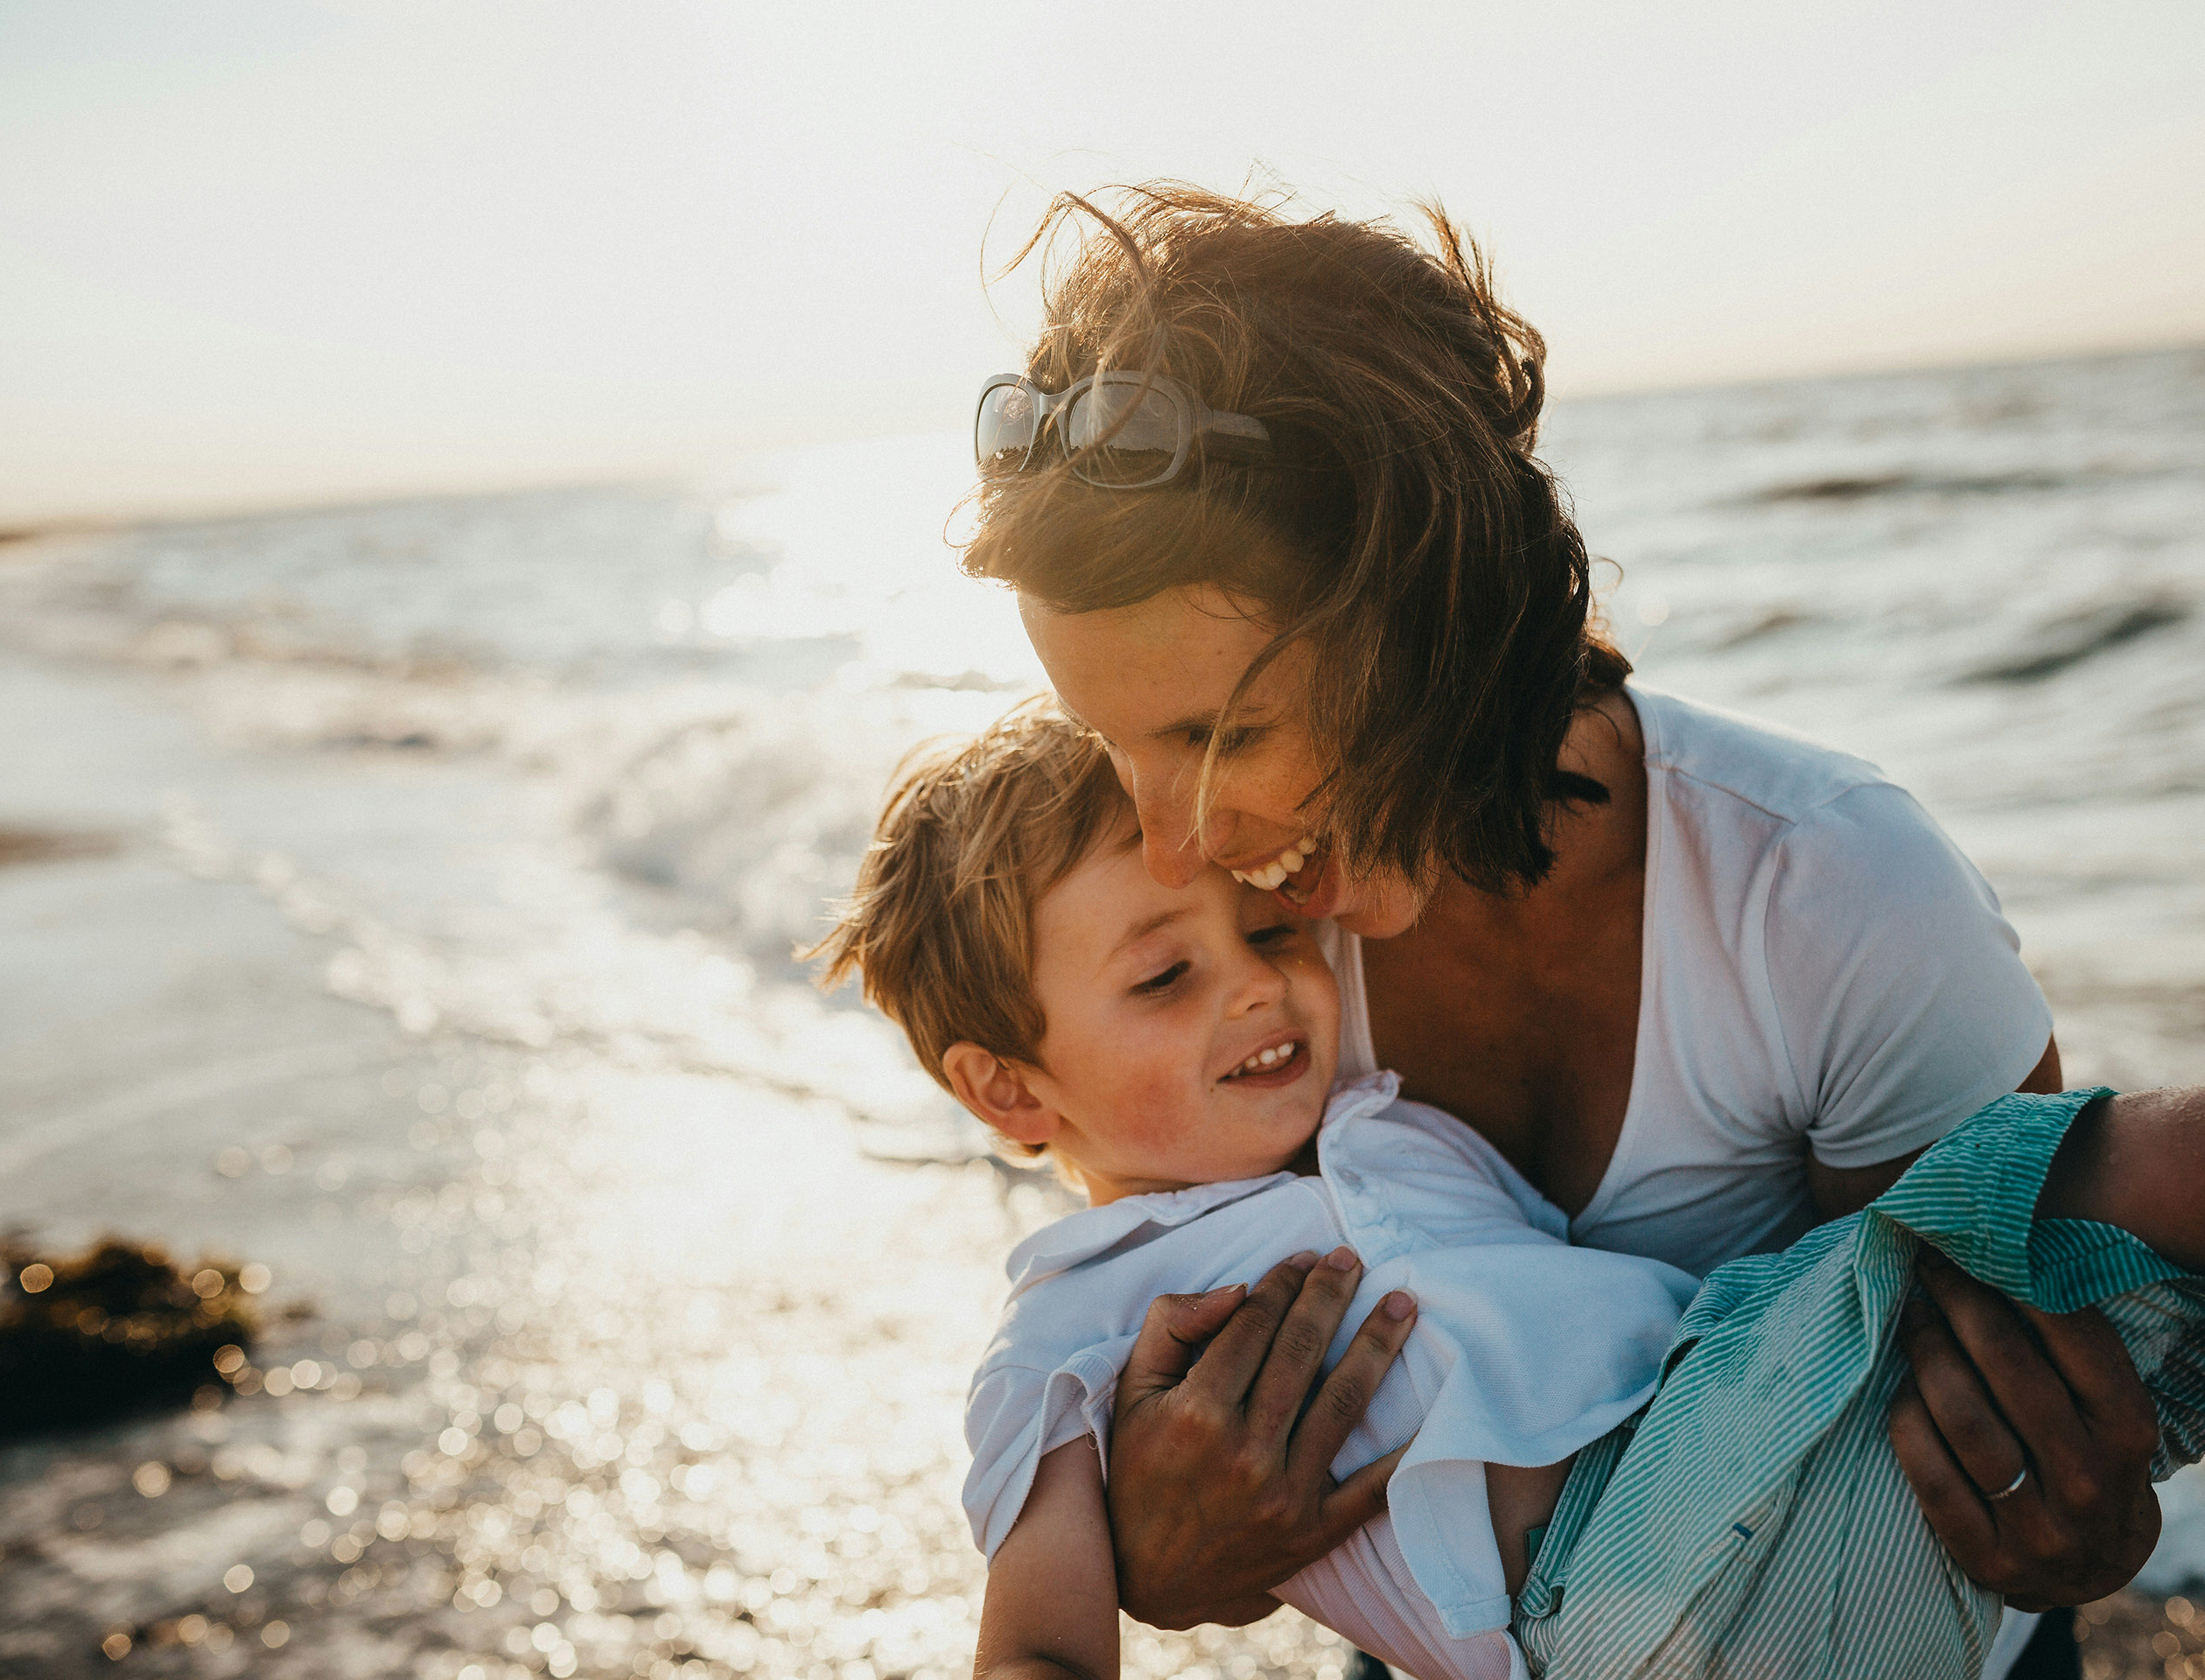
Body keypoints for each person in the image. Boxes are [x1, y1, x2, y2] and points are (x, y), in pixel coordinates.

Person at [956, 184, 2160, 1675]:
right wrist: (1167, 1549)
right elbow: (1164, 1292)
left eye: (1222, 732)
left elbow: (2002, 1409)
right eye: (1111, 746)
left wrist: (2083, 1528)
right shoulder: (1237, 954)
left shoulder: (1826, 895)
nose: (1171, 840)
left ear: (1431, 616)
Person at [812, 706, 2204, 1680]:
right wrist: (1147, 1565)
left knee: (2136, 1269)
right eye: (1163, 977)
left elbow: (1628, 1311)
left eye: (1265, 928)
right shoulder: (1073, 1328)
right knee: (2144, 1167)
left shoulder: (1386, 1128)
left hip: (1765, 1485)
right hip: (1603, 1589)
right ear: (1007, 1092)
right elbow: (1039, 1646)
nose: (1257, 980)